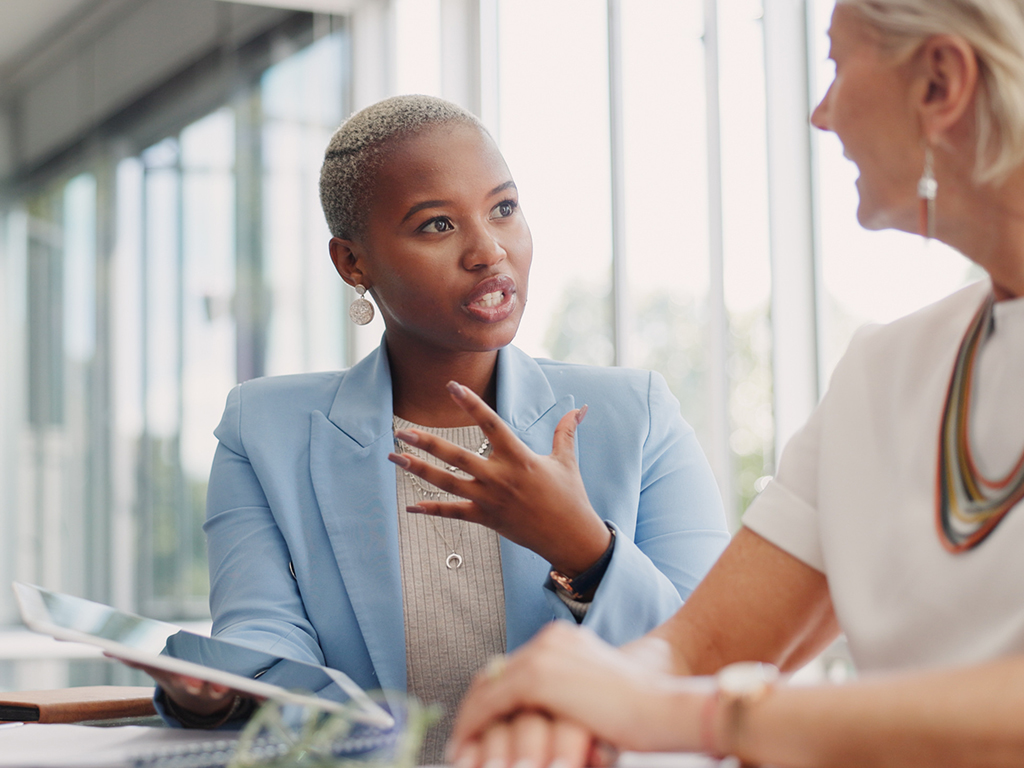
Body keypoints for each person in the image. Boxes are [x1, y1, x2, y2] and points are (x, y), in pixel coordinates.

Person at [399, 2, 1024, 766]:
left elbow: (688, 698)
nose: (820, 113)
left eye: (835, 63)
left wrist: (703, 719)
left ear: (939, 82)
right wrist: (571, 700)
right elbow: (694, 651)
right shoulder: (881, 375)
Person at [137, 95, 729, 762]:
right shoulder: (263, 433)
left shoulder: (635, 415)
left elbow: (717, 661)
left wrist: (587, 552)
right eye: (437, 225)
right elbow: (267, 650)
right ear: (352, 263)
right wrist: (213, 692)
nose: (487, 250)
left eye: (504, 208)